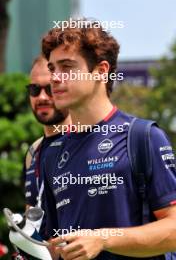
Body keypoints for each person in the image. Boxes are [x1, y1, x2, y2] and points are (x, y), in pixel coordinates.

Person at [41, 19, 176, 259]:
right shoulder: (51, 153)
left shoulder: (144, 138)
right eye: (52, 68)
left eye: (67, 67)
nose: (55, 78)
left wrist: (103, 240)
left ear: (101, 71)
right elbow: (53, 244)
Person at [24, 55, 71, 237]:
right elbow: (32, 218)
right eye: (35, 89)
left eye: (50, 88)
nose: (42, 97)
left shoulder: (86, 143)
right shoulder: (32, 152)